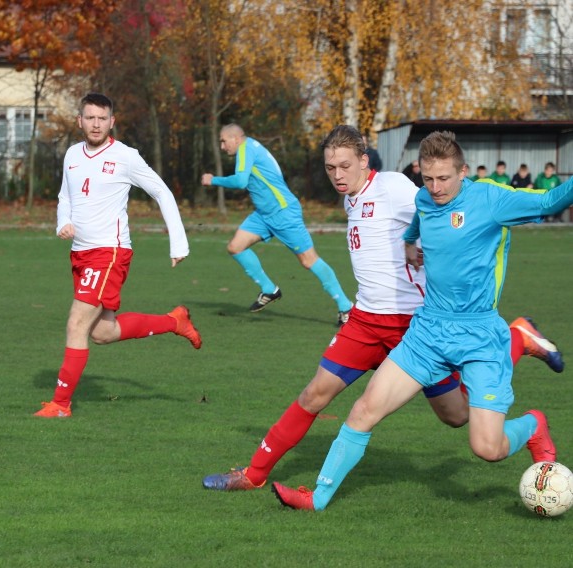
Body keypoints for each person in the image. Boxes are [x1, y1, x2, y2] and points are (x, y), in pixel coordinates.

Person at [202, 126, 563, 492]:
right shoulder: (351, 197)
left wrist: (420, 243)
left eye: (344, 166)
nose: (338, 176)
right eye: (330, 168)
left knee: (456, 416)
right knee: (314, 394)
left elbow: (437, 211)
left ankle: (516, 339)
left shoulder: (394, 187)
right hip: (364, 323)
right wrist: (408, 242)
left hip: (414, 327)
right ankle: (254, 473)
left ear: (363, 161)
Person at [34, 93, 202, 418]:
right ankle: (174, 321)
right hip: (80, 254)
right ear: (79, 121)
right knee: (101, 333)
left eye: (102, 118)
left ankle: (60, 404)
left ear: (112, 122)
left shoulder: (126, 156)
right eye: (90, 117)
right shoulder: (71, 154)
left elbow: (161, 191)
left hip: (109, 253)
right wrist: (63, 222)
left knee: (76, 323)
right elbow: (65, 196)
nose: (96, 124)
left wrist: (178, 243)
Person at [200, 124, 353, 324]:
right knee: (235, 247)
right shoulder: (251, 148)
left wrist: (213, 180)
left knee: (309, 260)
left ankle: (346, 306)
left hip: (283, 212)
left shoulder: (247, 149)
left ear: (236, 139)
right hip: (263, 214)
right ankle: (269, 289)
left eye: (223, 141)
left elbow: (240, 182)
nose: (222, 146)